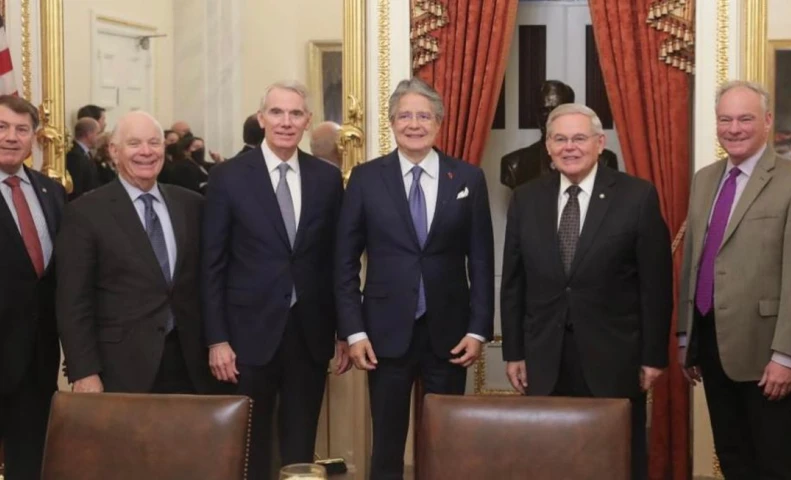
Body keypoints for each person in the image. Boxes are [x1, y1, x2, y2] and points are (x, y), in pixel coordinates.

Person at [501, 103, 672, 480]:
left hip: (615, 358)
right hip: (545, 358)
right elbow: (514, 283)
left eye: (579, 138)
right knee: (549, 459)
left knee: (616, 460)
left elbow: (656, 285)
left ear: (600, 143)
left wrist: (653, 356)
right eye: (560, 139)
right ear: (547, 146)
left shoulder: (637, 196)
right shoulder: (526, 199)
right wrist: (513, 352)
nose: (569, 147)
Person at [335, 78, 494, 480]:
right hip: (383, 335)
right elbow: (344, 263)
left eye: (424, 115)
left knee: (446, 440)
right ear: (391, 122)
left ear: (438, 123)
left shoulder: (468, 178)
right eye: (405, 115)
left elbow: (481, 259)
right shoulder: (367, 179)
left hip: (450, 335)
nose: (414, 123)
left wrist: (478, 330)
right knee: (387, 444)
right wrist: (354, 332)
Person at [203, 81, 350, 478]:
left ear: (307, 121)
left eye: (296, 114)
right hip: (245, 337)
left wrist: (343, 331)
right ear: (261, 118)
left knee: (300, 448)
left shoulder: (326, 178)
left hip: (309, 334)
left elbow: (334, 261)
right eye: (277, 113)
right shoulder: (228, 177)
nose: (286, 122)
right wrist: (217, 339)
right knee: (248, 448)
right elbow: (212, 264)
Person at [678, 80, 791, 480]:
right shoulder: (705, 178)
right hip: (711, 344)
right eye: (725, 119)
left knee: (772, 464)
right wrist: (686, 336)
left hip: (766, 352)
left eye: (745, 118)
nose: (734, 128)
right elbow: (694, 259)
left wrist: (787, 355)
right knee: (732, 458)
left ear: (767, 121)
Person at [56, 110, 216, 395]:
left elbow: (208, 280)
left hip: (191, 366)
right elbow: (73, 301)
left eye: (154, 143)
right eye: (134, 143)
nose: (146, 152)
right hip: (120, 367)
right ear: (114, 152)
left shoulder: (192, 205)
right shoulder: (85, 213)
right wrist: (84, 371)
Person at [0, 95, 66, 480]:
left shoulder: (51, 192)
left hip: (36, 360)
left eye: (22, 129)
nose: (11, 137)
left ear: (34, 139)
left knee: (32, 463)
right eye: (2, 127)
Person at [500, 80, 618, 189]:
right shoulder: (515, 164)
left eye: (558, 110)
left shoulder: (604, 160)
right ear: (536, 114)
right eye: (544, 111)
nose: (551, 117)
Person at [65, 117, 100, 200]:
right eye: (98, 133)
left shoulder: (86, 153)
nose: (99, 137)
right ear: (89, 134)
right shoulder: (74, 155)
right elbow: (77, 188)